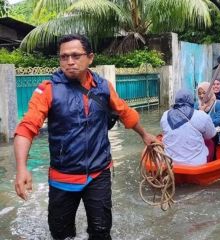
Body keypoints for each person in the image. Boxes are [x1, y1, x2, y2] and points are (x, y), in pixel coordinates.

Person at [13, 34, 156, 240]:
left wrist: (145, 135)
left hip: (99, 173)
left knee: (101, 232)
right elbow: (26, 128)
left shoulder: (104, 87)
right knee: (61, 234)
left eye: (75, 55)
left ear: (90, 58)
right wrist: (21, 168)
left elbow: (126, 113)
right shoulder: (48, 90)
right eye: (64, 57)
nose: (69, 62)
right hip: (63, 177)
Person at [160, 89, 216, 166]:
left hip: (169, 163)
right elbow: (211, 135)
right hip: (195, 164)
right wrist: (202, 113)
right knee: (210, 142)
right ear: (191, 101)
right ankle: (211, 166)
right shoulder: (201, 115)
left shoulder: (164, 115)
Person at [196, 82, 220, 147]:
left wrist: (203, 115)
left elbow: (219, 120)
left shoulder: (218, 103)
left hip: (215, 131)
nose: (202, 96)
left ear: (209, 92)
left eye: (204, 93)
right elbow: (193, 120)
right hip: (200, 131)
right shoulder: (197, 104)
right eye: (199, 93)